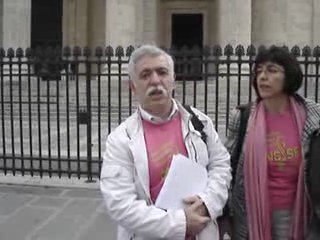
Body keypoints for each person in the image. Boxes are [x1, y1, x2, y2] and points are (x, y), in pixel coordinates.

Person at [100, 44, 231, 240]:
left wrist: (206, 204)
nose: (155, 80)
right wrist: (182, 223)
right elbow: (120, 203)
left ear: (173, 80)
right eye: (145, 75)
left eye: (162, 72)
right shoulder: (120, 140)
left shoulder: (199, 122)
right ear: (133, 87)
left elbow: (220, 166)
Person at [225, 45, 320, 240]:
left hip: (302, 213)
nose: (262, 77)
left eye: (272, 70)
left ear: (289, 76)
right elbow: (227, 165)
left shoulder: (313, 115)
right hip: (254, 214)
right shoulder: (243, 117)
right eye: (258, 71)